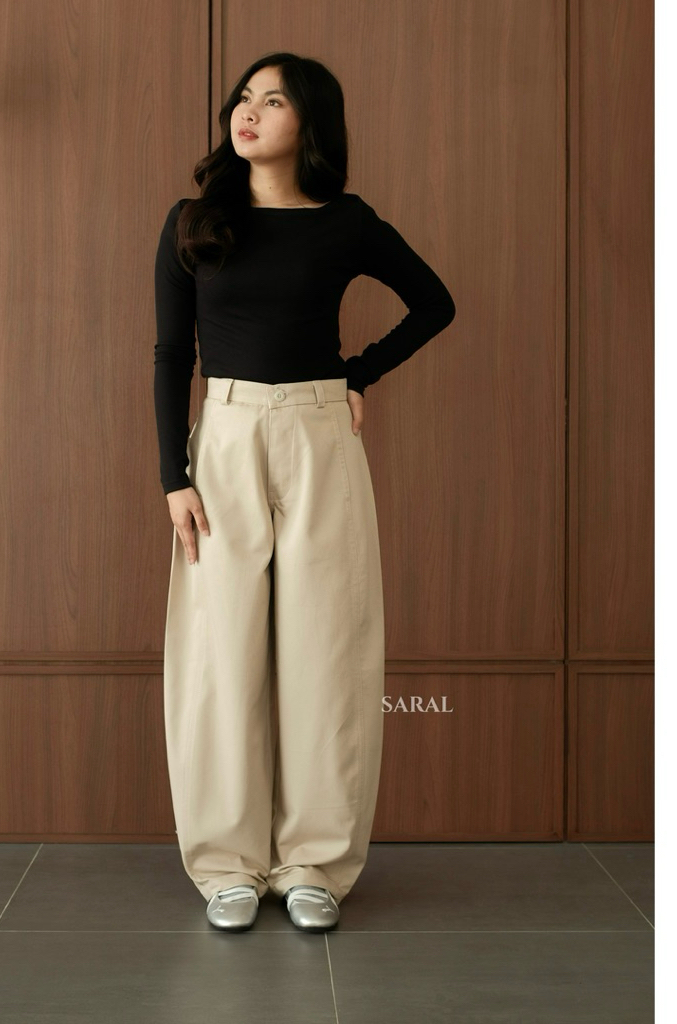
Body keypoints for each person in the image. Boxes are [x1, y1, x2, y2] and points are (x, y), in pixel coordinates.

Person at [154, 52, 455, 933]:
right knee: (220, 655)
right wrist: (173, 476)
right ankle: (228, 865)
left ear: (309, 123)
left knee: (328, 647)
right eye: (244, 98)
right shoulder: (193, 222)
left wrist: (357, 373)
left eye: (273, 100)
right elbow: (172, 354)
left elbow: (434, 303)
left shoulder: (345, 222)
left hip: (321, 438)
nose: (248, 112)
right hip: (225, 437)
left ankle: (315, 863)